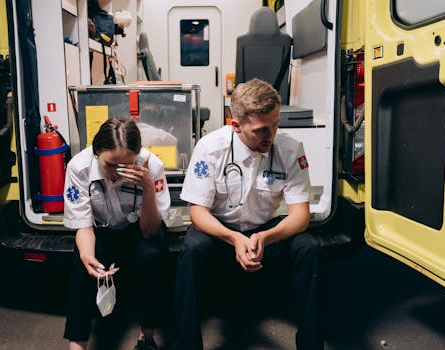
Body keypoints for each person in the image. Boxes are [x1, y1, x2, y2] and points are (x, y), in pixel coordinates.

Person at [171, 78, 323, 350]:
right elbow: (198, 213)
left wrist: (266, 237)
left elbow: (300, 216)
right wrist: (233, 238)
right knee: (192, 250)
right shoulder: (210, 148)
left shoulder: (290, 150)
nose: (271, 135)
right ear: (236, 125)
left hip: (267, 229)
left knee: (308, 248)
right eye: (262, 130)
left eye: (276, 124)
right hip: (221, 230)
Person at [63, 118, 170, 350]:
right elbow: (83, 226)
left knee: (152, 255)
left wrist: (148, 188)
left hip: (140, 230)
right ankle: (77, 343)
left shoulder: (152, 166)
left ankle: (147, 337)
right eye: (111, 165)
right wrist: (87, 257)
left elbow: (150, 229)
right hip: (103, 230)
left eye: (126, 165)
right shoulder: (78, 168)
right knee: (81, 263)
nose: (117, 173)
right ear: (96, 152)